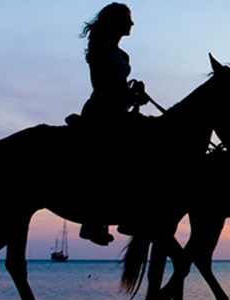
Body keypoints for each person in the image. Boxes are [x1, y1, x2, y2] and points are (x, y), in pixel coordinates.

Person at [76, 2, 148, 246]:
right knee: (108, 157)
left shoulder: (122, 54)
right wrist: (125, 95)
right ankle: (94, 220)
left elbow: (117, 83)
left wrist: (133, 91)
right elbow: (101, 84)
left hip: (119, 110)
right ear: (115, 21)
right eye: (128, 19)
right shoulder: (100, 47)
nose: (132, 24)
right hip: (101, 111)